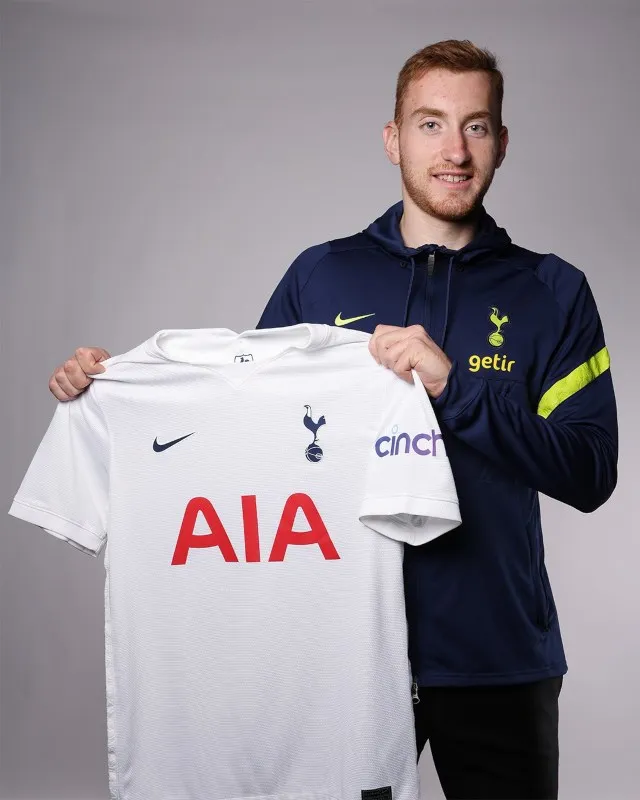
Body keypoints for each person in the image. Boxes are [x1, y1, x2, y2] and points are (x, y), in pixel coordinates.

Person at [47, 40, 618, 800]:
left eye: (476, 127)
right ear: (392, 139)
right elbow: (244, 433)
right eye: (430, 124)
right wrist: (116, 391)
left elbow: (590, 472)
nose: (454, 150)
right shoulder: (322, 275)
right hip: (333, 662)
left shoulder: (553, 291)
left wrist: (458, 394)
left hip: (496, 655)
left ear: (502, 142)